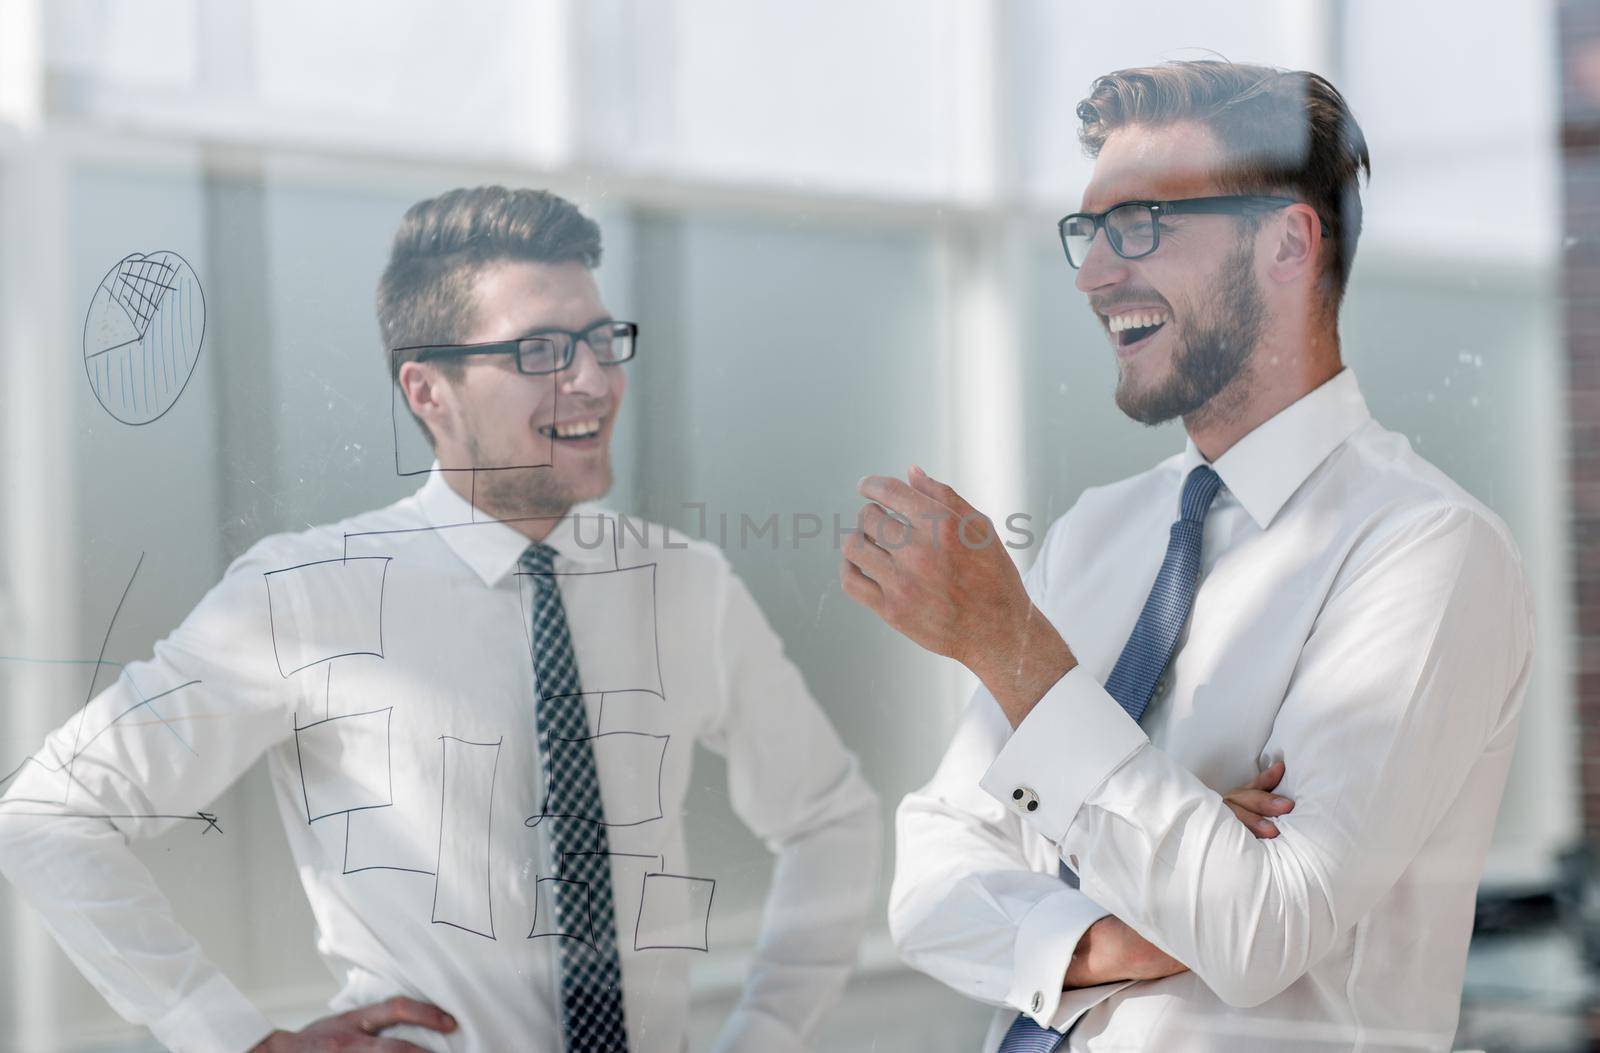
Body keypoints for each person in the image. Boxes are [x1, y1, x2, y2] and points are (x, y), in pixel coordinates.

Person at [1, 186, 880, 1053]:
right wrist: (234, 1036)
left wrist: (765, 1033)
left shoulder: (686, 583)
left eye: (600, 339)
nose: (594, 380)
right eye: (540, 349)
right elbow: (47, 814)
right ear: (428, 391)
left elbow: (830, 816)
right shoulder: (308, 593)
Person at [840, 60, 1533, 1052]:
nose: (1089, 275)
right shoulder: (1093, 533)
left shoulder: (1423, 549)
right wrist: (1132, 918)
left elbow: (1256, 929)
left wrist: (1011, 650)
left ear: (1287, 245)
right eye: (1087, 231)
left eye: (1139, 227)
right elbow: (931, 883)